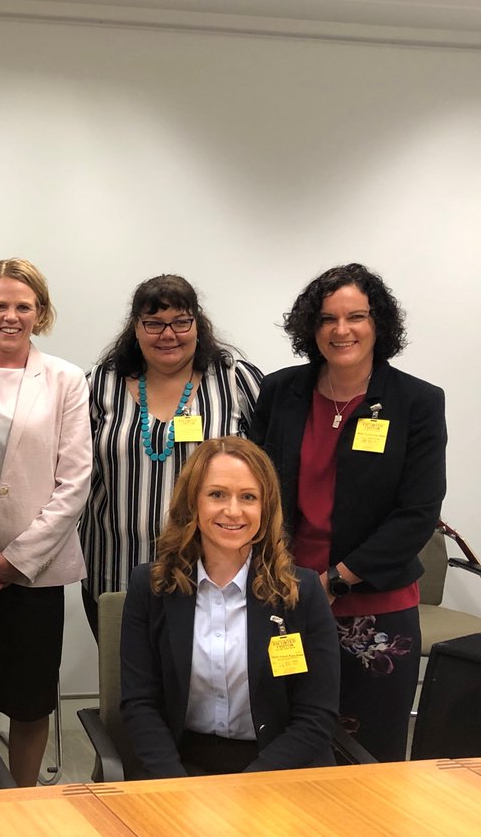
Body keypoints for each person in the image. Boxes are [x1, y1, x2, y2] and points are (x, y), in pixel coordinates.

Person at [250, 264, 446, 762]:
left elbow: (418, 513)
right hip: (286, 596)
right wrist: (281, 574)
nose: (341, 330)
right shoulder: (281, 391)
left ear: (379, 323)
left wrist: (335, 580)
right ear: (310, 328)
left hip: (374, 604)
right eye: (327, 319)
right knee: (284, 740)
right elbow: (257, 488)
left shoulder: (416, 402)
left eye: (356, 316)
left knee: (368, 752)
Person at [120, 437, 340, 779]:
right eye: (217, 494)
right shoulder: (151, 588)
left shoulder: (302, 592)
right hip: (180, 765)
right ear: (192, 503)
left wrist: (247, 789)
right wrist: (174, 787)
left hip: (279, 768)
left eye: (248, 497)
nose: (233, 511)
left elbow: (316, 716)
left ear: (265, 508)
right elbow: (140, 704)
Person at [0, 259, 92, 787]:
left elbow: (74, 481)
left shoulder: (65, 379)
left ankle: (22, 800)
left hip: (35, 572)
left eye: (23, 306)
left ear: (40, 313)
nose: (10, 316)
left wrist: (18, 559)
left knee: (31, 699)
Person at [80, 274, 262, 636]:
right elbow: (69, 470)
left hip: (215, 575)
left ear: (198, 324)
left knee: (207, 670)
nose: (168, 334)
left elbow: (270, 471)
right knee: (125, 669)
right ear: (135, 328)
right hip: (114, 571)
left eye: (181, 322)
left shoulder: (235, 380)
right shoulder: (99, 384)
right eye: (154, 323)